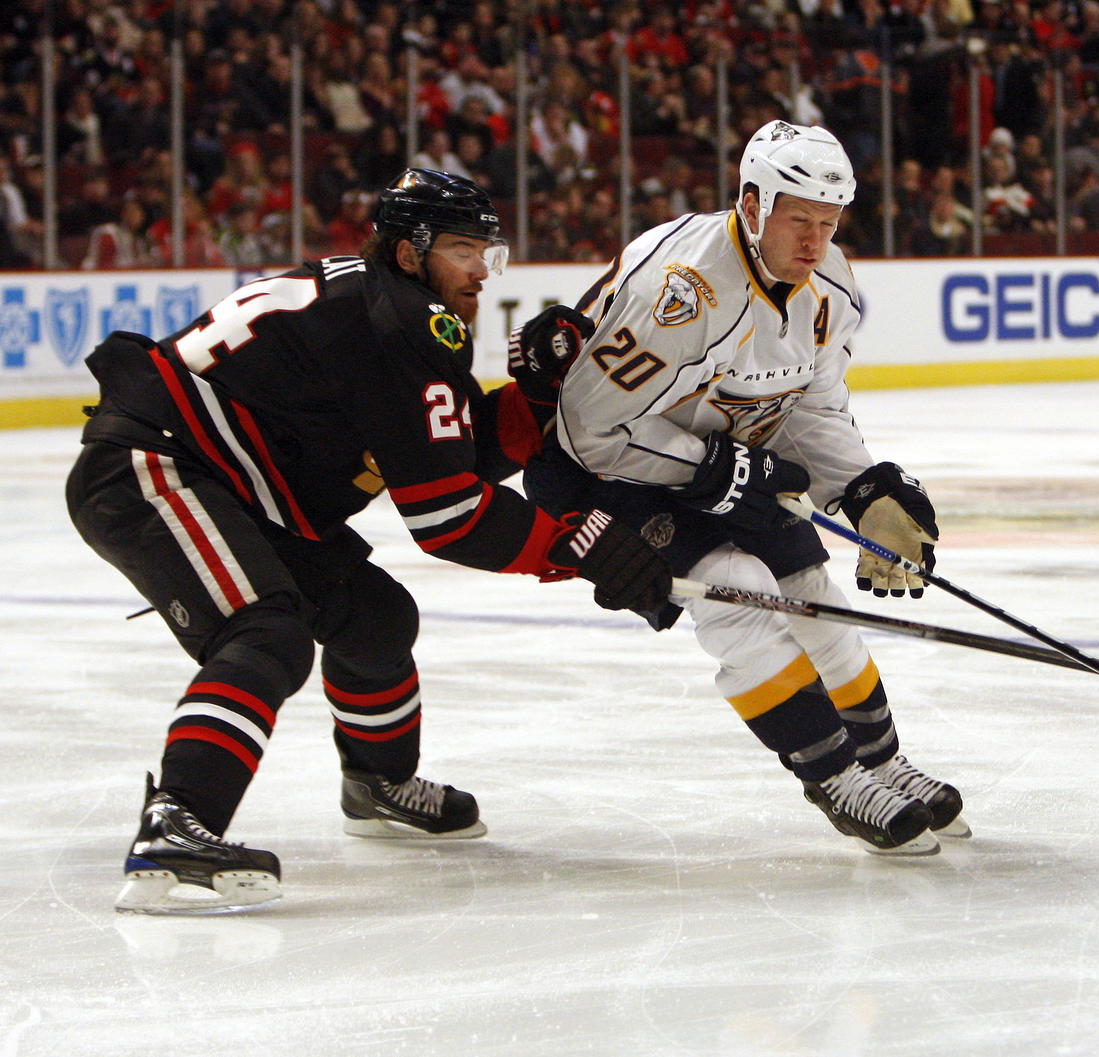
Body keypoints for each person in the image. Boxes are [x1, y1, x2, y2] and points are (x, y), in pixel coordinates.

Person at [66, 169, 671, 914]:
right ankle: (178, 821)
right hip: (156, 465)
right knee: (267, 631)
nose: (482, 269)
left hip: (238, 484)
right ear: (410, 251)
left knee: (374, 614)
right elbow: (448, 516)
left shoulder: (387, 306)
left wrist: (538, 401)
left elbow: (450, 455)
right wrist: (574, 546)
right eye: (461, 248)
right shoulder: (408, 320)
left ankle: (376, 782)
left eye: (487, 250)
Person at [518, 121, 966, 857]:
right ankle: (836, 777)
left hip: (725, 459)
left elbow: (810, 409)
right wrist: (712, 472)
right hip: (608, 474)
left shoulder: (830, 287)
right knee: (739, 592)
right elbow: (589, 428)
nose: (815, 241)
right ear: (752, 203)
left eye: (828, 222)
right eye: (799, 218)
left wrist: (865, 487)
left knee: (815, 593)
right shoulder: (680, 288)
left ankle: (884, 763)